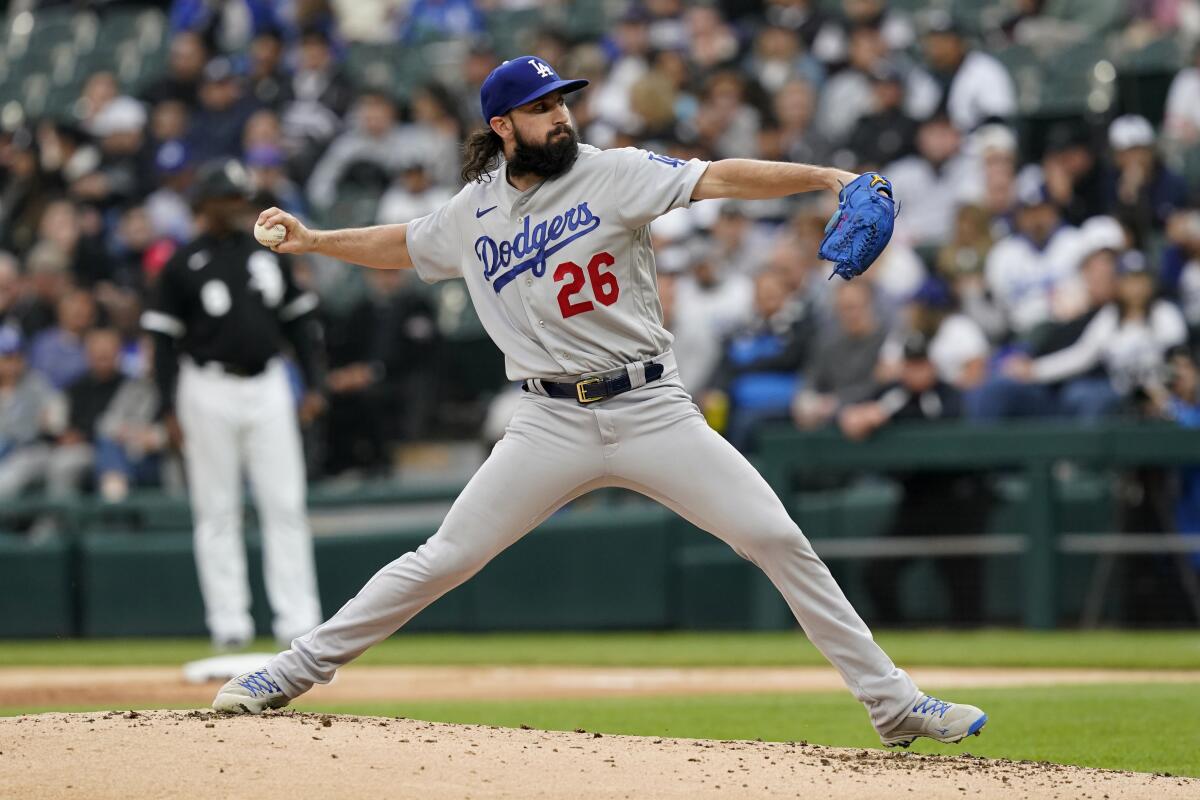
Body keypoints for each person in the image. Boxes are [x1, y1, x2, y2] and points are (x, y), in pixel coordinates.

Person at [214, 55, 987, 750]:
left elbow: (718, 175)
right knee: (444, 558)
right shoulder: (473, 211)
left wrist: (826, 180)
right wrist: (315, 242)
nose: (562, 115)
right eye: (544, 107)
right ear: (503, 125)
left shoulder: (612, 171)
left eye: (564, 102)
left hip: (652, 407)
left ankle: (891, 702)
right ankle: (287, 672)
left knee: (777, 538)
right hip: (548, 421)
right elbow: (408, 243)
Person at [142, 159, 326, 651]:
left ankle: (297, 620)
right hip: (206, 387)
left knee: (284, 504)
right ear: (203, 205)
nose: (235, 207)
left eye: (238, 198)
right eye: (226, 199)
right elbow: (162, 344)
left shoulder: (269, 255)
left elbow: (300, 325)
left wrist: (313, 384)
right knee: (216, 509)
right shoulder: (181, 263)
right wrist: (167, 407)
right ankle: (229, 624)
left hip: (267, 383)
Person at [838, 332, 991, 626]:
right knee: (876, 573)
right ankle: (899, 636)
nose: (916, 371)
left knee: (964, 584)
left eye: (922, 364)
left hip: (956, 502)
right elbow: (853, 413)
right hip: (915, 500)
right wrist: (855, 417)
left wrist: (886, 418)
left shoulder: (947, 393)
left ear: (932, 365)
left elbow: (944, 423)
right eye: (911, 364)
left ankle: (968, 644)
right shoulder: (893, 393)